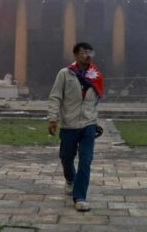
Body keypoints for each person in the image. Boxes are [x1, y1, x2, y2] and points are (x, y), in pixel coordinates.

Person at [47, 42, 103, 212]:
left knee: (86, 160)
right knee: (66, 156)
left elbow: (95, 101)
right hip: (68, 124)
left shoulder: (96, 76)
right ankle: (70, 179)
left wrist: (93, 120)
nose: (87, 56)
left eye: (90, 53)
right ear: (76, 55)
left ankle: (80, 197)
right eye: (84, 52)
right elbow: (55, 97)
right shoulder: (65, 74)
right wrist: (52, 119)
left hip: (88, 125)